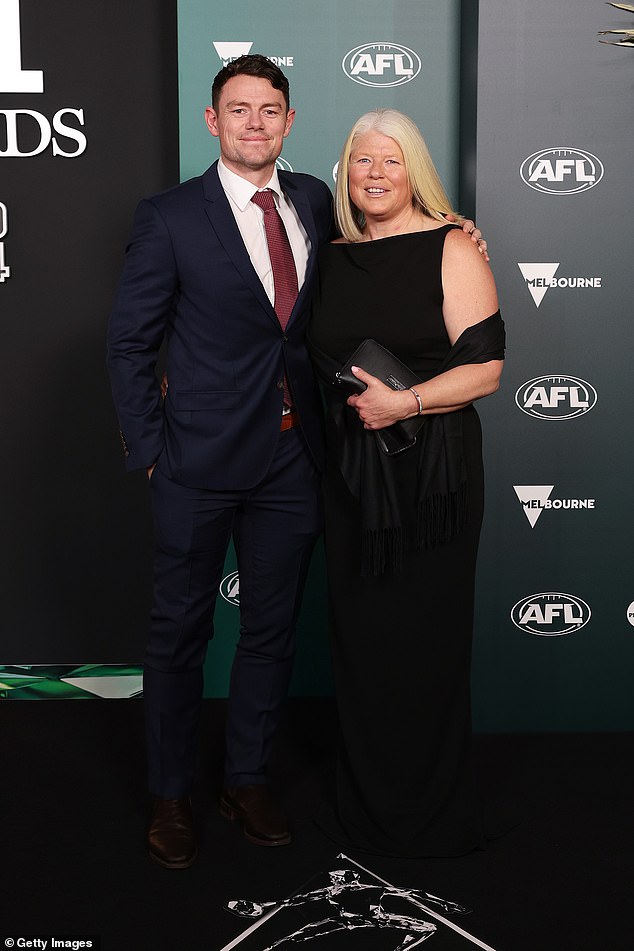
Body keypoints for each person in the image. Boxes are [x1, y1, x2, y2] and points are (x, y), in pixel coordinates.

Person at [107, 54, 486, 869]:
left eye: (269, 110)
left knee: (272, 632)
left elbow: (397, 249)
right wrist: (150, 452)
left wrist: (460, 231)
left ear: (287, 121)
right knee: (179, 633)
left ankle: (246, 778)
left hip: (296, 461)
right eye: (237, 109)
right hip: (195, 462)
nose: (253, 123)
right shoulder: (169, 216)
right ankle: (171, 794)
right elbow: (129, 343)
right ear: (213, 122)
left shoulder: (320, 200)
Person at [308, 109, 505, 858]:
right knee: (362, 642)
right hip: (352, 480)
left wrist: (408, 400)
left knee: (426, 640)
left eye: (391, 161)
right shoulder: (330, 254)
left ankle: (431, 811)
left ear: (413, 168)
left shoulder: (453, 246)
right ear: (346, 172)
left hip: (434, 480)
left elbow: (486, 369)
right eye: (363, 161)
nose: (376, 175)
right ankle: (365, 808)